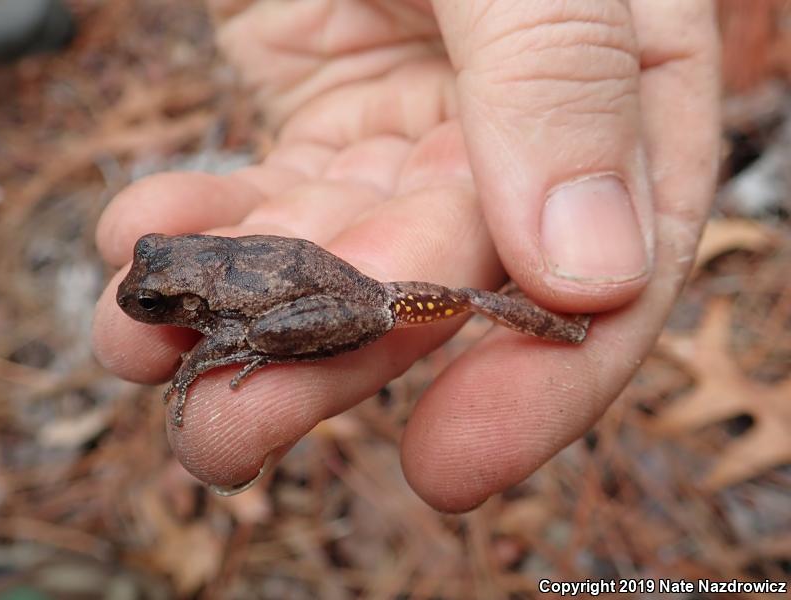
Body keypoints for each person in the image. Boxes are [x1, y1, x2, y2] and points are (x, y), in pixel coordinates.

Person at [92, 0, 720, 512]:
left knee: (261, 330)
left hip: (323, 298)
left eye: (152, 300)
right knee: (461, 298)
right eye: (151, 290)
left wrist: (222, 349)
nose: (140, 300)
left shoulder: (212, 302)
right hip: (327, 279)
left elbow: (229, 325)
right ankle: (560, 326)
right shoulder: (202, 276)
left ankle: (563, 324)